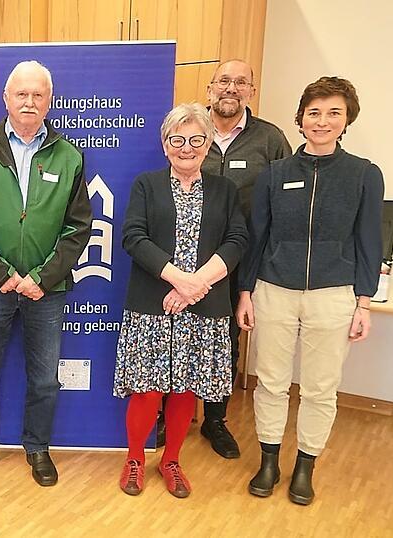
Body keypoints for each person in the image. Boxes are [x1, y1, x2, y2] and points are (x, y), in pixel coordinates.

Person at [237, 76, 383, 506]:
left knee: (320, 387)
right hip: (274, 289)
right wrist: (245, 291)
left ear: (346, 120)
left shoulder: (364, 174)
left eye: (333, 112)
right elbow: (257, 234)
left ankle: (305, 465)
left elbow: (369, 240)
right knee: (271, 383)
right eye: (314, 112)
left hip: (333, 294)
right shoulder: (274, 174)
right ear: (301, 119)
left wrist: (364, 301)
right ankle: (268, 460)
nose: (322, 121)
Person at [0, 60, 92, 487]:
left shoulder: (69, 156)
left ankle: (38, 447)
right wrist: (3, 274)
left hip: (46, 290)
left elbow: (78, 227)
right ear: (6, 99)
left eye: (38, 95)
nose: (29, 102)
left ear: (49, 102)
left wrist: (41, 278)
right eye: (21, 94)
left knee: (45, 376)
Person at [115, 103, 247, 498]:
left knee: (187, 389)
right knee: (147, 389)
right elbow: (133, 237)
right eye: (177, 139)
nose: (186, 148)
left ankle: (171, 460)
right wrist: (178, 280)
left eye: (196, 140)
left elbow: (237, 240)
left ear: (208, 145)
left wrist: (197, 285)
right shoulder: (146, 185)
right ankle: (135, 459)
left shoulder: (225, 190)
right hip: (152, 305)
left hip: (204, 309)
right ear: (165, 144)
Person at [199, 59, 293, 459]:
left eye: (241, 82)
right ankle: (168, 412)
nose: (231, 88)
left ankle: (215, 420)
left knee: (226, 341)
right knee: (174, 334)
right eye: (224, 81)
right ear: (210, 88)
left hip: (240, 260)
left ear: (251, 91)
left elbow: (285, 203)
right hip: (185, 256)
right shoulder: (190, 127)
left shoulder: (270, 140)